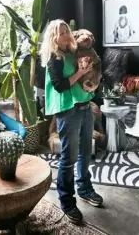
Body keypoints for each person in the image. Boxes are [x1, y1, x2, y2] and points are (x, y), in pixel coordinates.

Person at [39, 19, 103, 224]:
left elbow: (89, 76)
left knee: (85, 153)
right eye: (61, 33)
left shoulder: (75, 53)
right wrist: (80, 73)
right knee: (69, 158)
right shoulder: (54, 57)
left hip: (85, 109)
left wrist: (90, 80)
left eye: (67, 31)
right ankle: (67, 201)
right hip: (68, 112)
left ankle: (84, 188)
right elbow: (60, 86)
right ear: (53, 38)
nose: (66, 36)